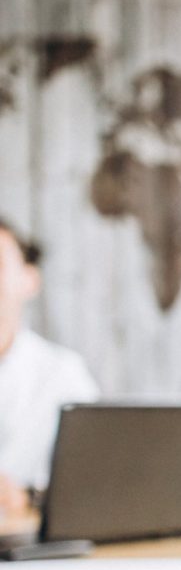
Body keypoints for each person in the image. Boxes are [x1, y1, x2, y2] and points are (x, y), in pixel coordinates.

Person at [0, 218, 98, 513]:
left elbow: (96, 474)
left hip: (34, 547)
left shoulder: (63, 374)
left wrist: (27, 496)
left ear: (30, 280)